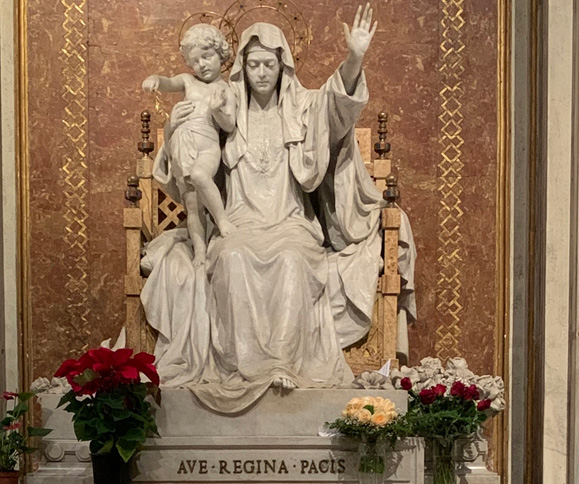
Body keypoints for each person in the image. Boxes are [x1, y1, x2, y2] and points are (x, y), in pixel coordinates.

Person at [142, 3, 416, 413]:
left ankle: (280, 363)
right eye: (253, 65)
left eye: (269, 64)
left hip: (291, 224)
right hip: (239, 223)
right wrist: (170, 124)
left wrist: (355, 58)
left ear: (282, 64)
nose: (261, 73)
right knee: (232, 259)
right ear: (243, 67)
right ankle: (242, 368)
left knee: (289, 261)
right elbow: (184, 154)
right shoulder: (224, 102)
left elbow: (336, 107)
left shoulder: (303, 108)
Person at [142, 23, 237, 266]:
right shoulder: (187, 81)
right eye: (195, 61)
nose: (202, 65)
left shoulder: (226, 89)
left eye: (207, 57)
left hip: (207, 145)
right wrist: (155, 79)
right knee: (193, 207)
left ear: (221, 54)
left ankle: (223, 220)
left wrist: (217, 111)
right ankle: (200, 251)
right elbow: (168, 82)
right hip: (183, 148)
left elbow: (229, 125)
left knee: (200, 175)